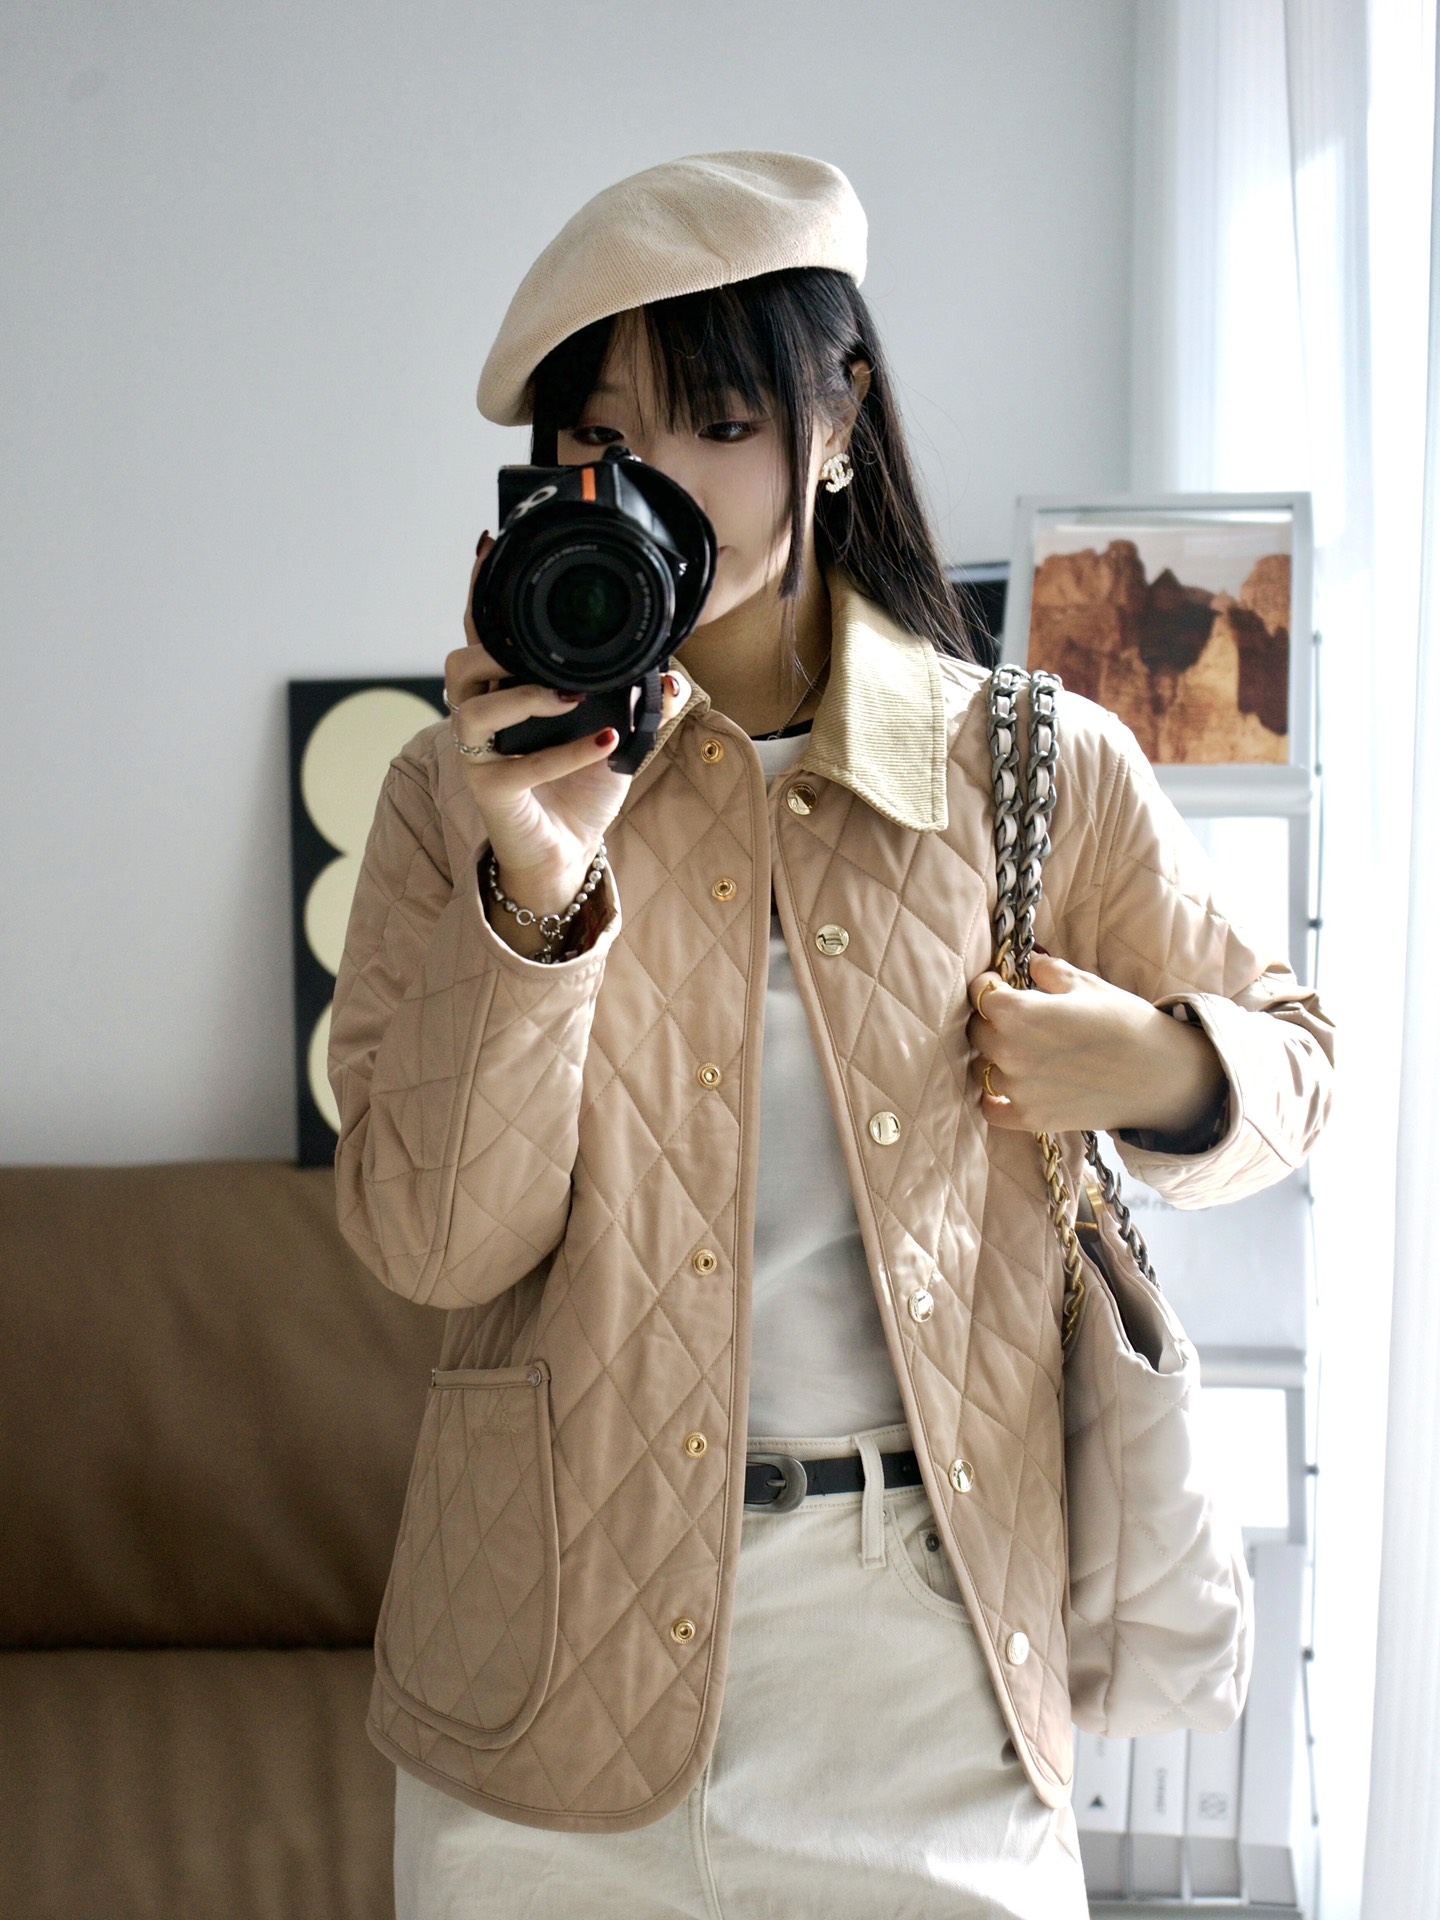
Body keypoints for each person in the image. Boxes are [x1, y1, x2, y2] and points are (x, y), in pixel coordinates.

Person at [329, 152, 1334, 1919]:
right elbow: (434, 1245)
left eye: (721, 423)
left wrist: (1162, 1069)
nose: (662, 486)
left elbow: (1303, 1066)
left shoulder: (1030, 766)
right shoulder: (454, 793)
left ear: (840, 422)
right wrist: (539, 891)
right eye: (607, 436)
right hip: (545, 1673)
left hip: (925, 1675)